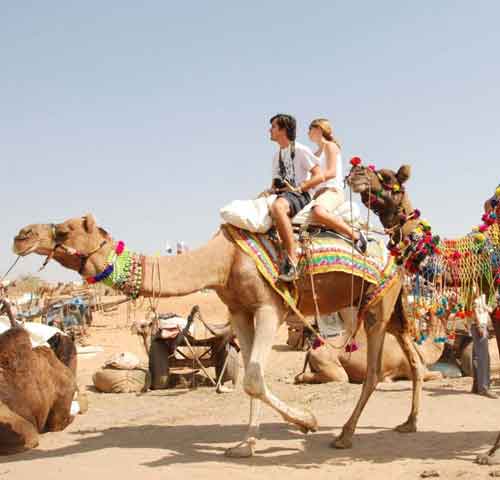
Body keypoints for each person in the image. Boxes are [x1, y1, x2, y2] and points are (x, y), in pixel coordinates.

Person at [267, 114, 323, 281]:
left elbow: (319, 176)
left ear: (283, 130)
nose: (270, 130)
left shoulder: (300, 149)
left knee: (278, 208)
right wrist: (269, 191)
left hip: (300, 195)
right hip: (284, 194)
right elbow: (275, 183)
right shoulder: (276, 156)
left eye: (274, 127)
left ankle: (292, 260)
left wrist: (300, 187)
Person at [307, 119, 367, 253]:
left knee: (318, 212)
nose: (307, 132)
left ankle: (355, 236)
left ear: (319, 129)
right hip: (317, 194)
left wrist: (308, 183)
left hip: (332, 191)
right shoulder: (313, 154)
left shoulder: (330, 146)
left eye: (310, 129)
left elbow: (331, 172)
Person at [470, 294, 497, 399]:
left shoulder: (485, 294)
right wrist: (479, 325)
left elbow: (489, 310)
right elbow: (475, 309)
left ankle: (477, 386)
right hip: (479, 326)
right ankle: (484, 388)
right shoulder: (476, 291)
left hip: (480, 325)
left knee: (477, 357)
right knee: (484, 357)